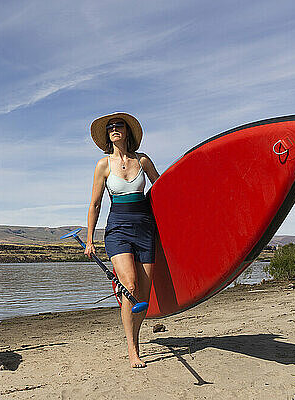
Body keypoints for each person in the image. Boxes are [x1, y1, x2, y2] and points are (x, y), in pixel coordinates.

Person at [85, 112, 160, 368]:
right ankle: (132, 349)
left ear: (127, 132)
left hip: (145, 228)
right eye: (110, 128)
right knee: (129, 284)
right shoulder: (103, 165)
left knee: (144, 295)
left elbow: (162, 190)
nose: (114, 130)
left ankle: (136, 338)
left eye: (119, 126)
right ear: (107, 136)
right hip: (117, 230)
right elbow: (95, 204)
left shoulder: (143, 160)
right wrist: (89, 240)